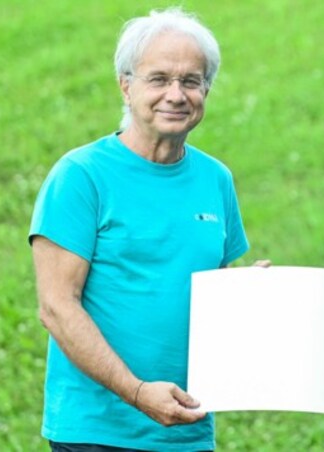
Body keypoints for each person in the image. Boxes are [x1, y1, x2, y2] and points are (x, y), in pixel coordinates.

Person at [29, 7, 255, 451]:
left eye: (191, 81)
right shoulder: (80, 176)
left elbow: (213, 293)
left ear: (206, 89)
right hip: (96, 432)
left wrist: (254, 291)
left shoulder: (216, 180)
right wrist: (136, 391)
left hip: (188, 426)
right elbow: (56, 306)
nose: (176, 94)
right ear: (126, 85)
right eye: (159, 79)